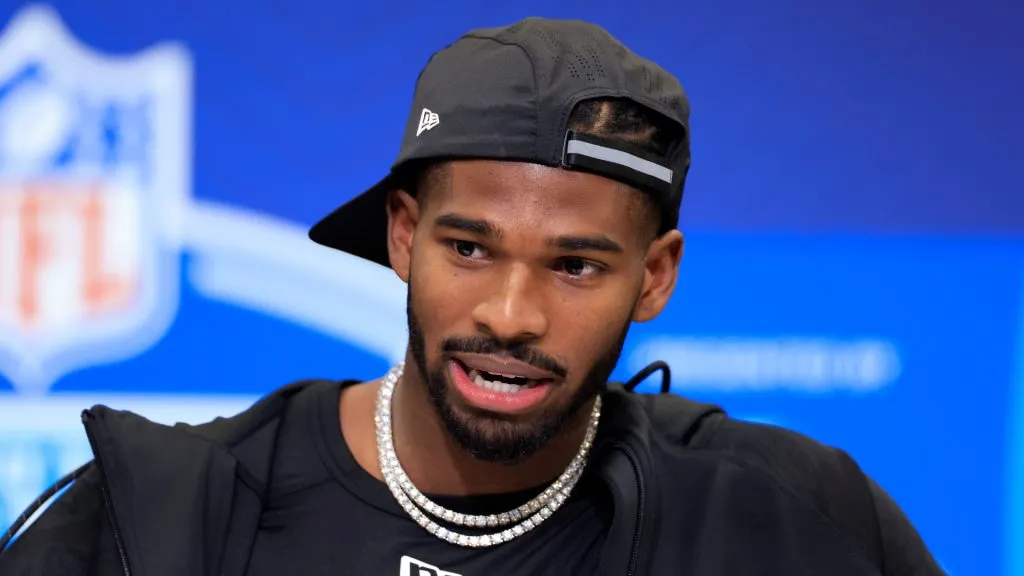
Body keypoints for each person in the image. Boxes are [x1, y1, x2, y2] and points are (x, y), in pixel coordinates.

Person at [0, 17, 942, 576]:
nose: (509, 314)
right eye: (469, 248)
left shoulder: (790, 519)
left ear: (654, 276)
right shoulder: (163, 520)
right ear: (402, 235)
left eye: (576, 266)